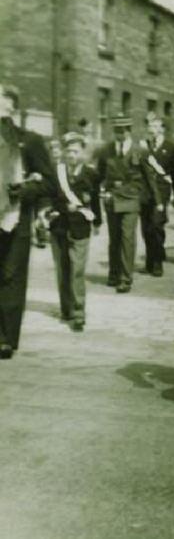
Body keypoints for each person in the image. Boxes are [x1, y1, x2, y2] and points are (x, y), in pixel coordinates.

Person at [0, 84, 55, 359]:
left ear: (12, 109)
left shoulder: (29, 141)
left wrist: (25, 191)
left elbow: (49, 183)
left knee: (11, 276)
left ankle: (6, 338)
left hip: (15, 219)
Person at [98, 114, 161, 292]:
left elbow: (150, 177)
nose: (119, 134)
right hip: (112, 198)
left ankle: (126, 278)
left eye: (122, 130)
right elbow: (99, 175)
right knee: (114, 238)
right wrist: (100, 192)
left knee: (127, 238)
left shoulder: (139, 151)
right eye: (116, 130)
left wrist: (158, 201)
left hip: (131, 198)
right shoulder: (106, 150)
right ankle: (113, 274)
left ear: (128, 131)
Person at [48, 132, 101, 332]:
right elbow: (50, 197)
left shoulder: (90, 174)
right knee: (63, 270)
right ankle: (66, 309)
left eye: (75, 151)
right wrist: (57, 210)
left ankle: (79, 312)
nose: (71, 154)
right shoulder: (56, 172)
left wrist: (97, 222)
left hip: (80, 227)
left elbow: (94, 200)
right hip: (59, 226)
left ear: (82, 153)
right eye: (68, 150)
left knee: (77, 270)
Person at [140, 116, 174, 277]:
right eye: (151, 126)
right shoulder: (144, 147)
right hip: (145, 193)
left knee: (157, 226)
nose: (152, 129)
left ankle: (158, 263)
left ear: (162, 129)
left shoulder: (171, 148)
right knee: (146, 229)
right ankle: (149, 263)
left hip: (162, 191)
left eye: (156, 126)